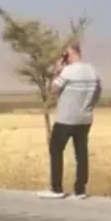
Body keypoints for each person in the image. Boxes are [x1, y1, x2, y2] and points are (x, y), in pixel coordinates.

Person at [38, 42, 102, 199]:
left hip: (66, 118)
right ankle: (80, 190)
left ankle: (56, 188)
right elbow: (98, 92)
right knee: (81, 152)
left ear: (70, 54)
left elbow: (53, 89)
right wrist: (88, 107)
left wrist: (56, 71)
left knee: (56, 149)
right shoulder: (92, 70)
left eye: (64, 54)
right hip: (85, 118)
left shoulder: (68, 71)